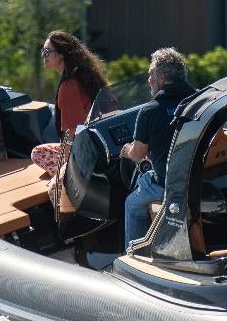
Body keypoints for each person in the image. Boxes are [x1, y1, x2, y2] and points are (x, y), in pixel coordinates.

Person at [120, 48, 196, 250]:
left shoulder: (149, 111)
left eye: (150, 75)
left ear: (161, 77)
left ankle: (134, 256)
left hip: (168, 185)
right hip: (200, 178)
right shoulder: (201, 101)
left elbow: (138, 155)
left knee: (132, 204)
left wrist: (126, 150)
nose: (149, 80)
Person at [30, 30, 108, 177]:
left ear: (61, 54)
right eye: (43, 51)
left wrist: (67, 170)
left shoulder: (68, 87)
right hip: (98, 144)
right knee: (40, 150)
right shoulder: (83, 77)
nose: (43, 55)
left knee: (37, 154)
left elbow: (72, 133)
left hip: (86, 152)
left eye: (47, 51)